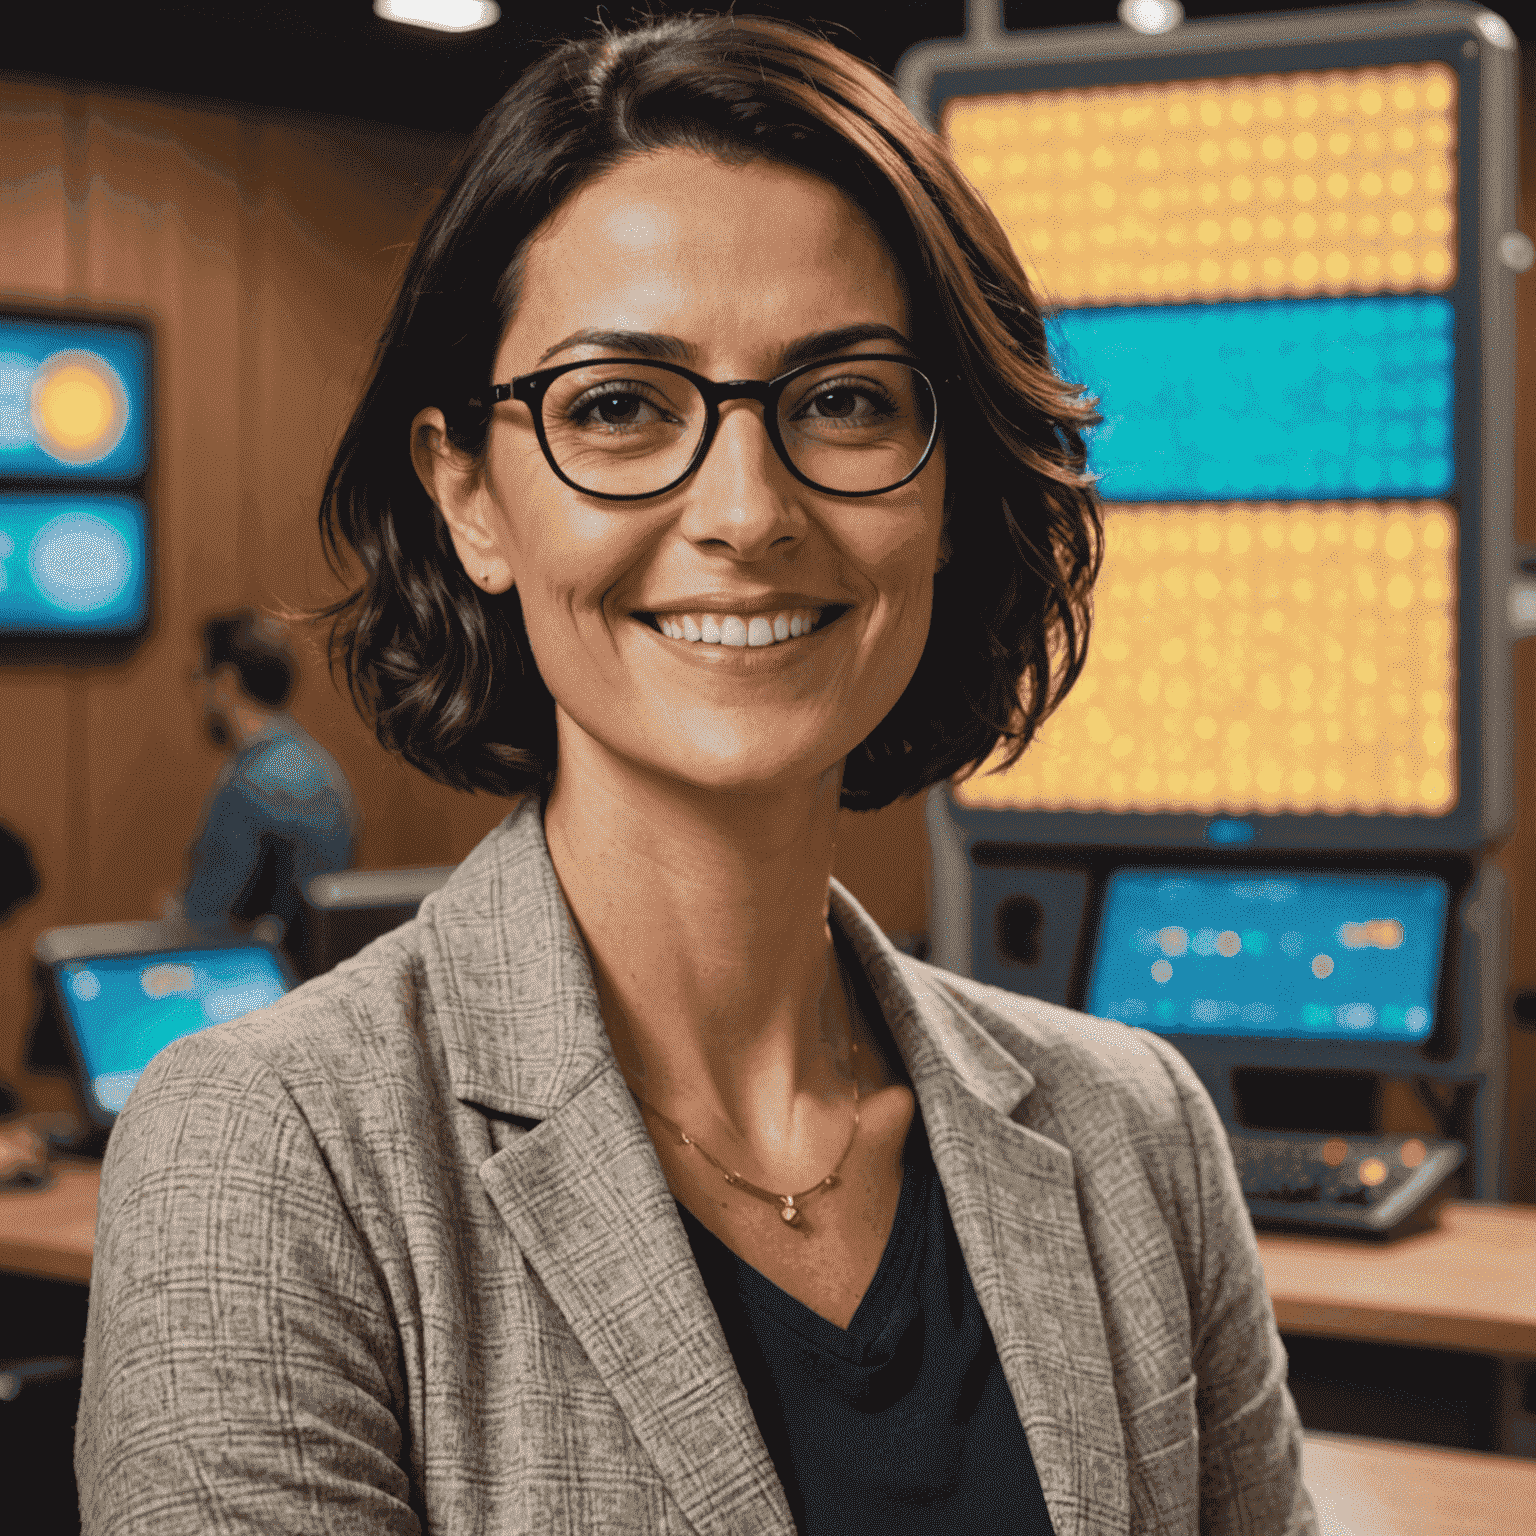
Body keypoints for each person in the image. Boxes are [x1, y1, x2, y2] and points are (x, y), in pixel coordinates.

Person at [76, 15, 1318, 1535]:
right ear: (471, 494)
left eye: (847, 398)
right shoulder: (276, 1151)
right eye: (617, 406)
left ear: (949, 487)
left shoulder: (1136, 1130)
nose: (747, 508)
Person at [170, 609, 360, 967]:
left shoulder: (247, 786)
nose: (198, 697)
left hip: (249, 991)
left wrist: (176, 920)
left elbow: (204, 926)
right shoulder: (325, 772)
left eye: (198, 678)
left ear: (224, 684)